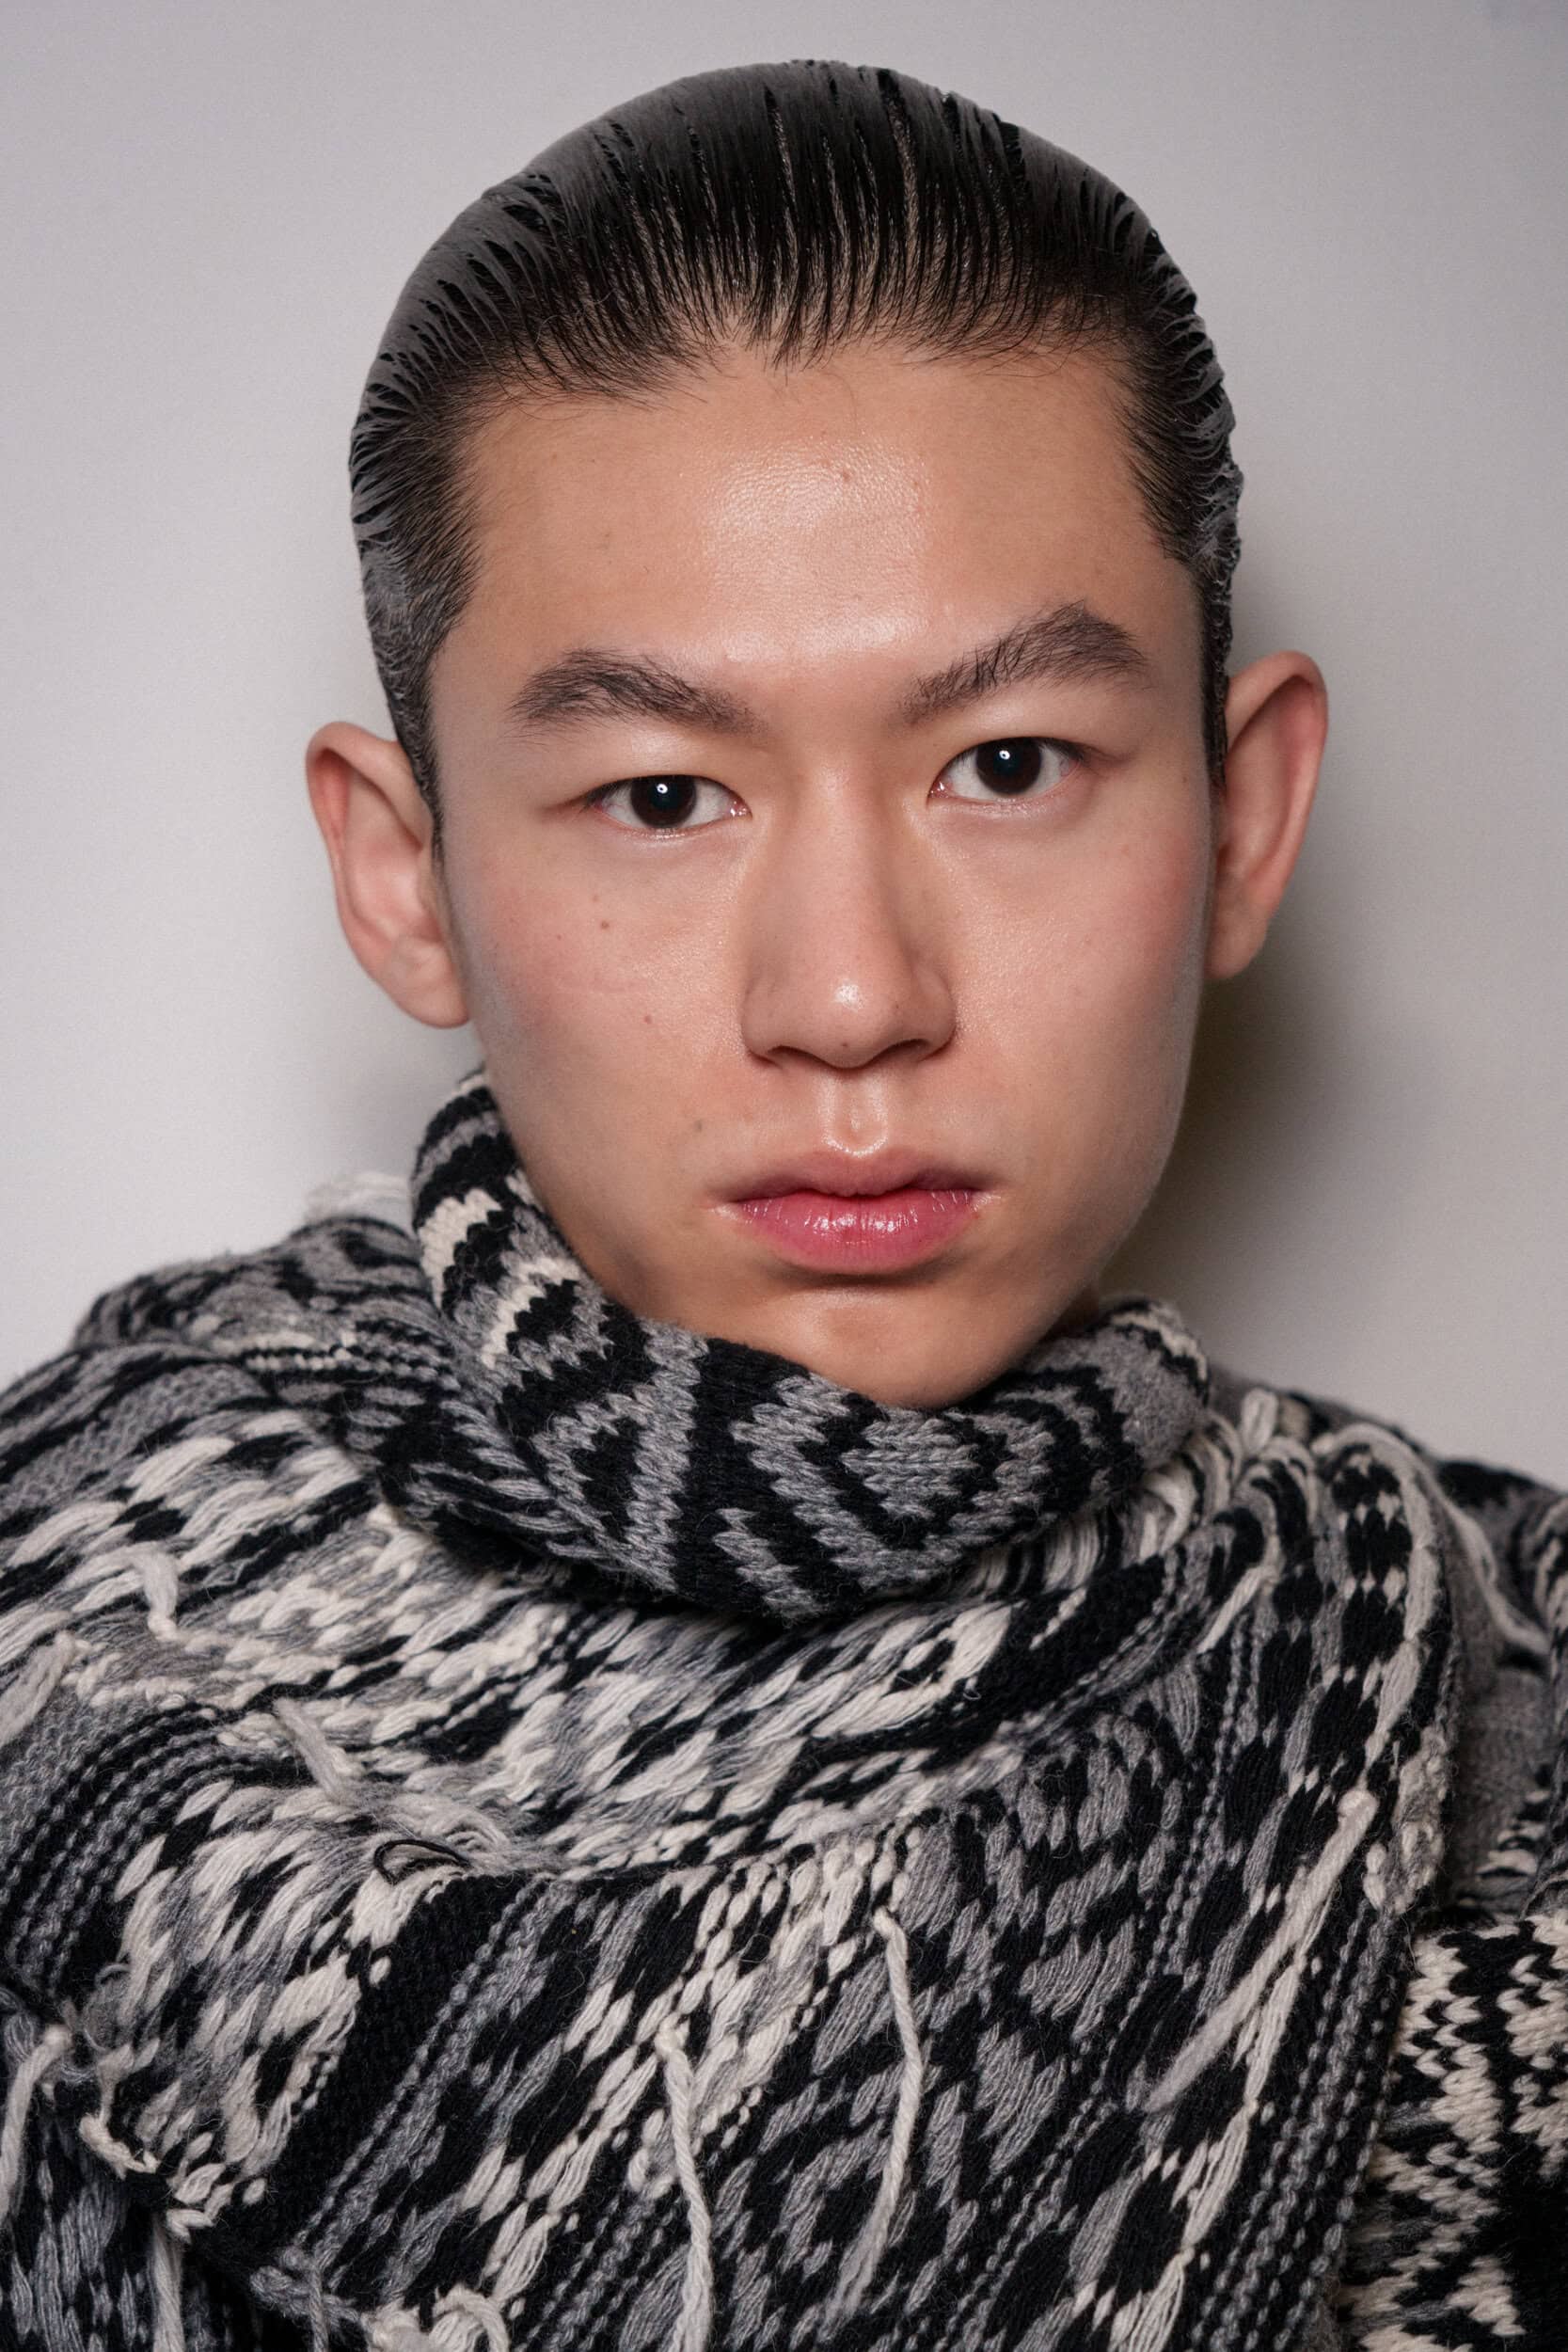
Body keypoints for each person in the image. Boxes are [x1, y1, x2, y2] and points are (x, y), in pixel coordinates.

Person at [0, 56, 1560, 2352]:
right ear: (407, 873)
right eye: (660, 794)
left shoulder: (1506, 1684)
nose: (850, 997)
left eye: (1008, 764)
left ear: (1241, 817)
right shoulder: (54, 1634)